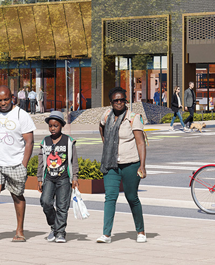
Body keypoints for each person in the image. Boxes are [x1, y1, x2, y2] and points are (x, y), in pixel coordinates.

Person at [89, 88, 149, 244]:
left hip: (130, 163)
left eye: (122, 99)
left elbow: (141, 143)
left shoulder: (133, 118)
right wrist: (107, 144)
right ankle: (106, 234)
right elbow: (101, 127)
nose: (119, 102)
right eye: (116, 100)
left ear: (126, 101)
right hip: (111, 164)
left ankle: (141, 231)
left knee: (132, 197)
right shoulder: (107, 115)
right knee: (110, 197)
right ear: (111, 102)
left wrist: (142, 165)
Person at [0, 87, 35, 243]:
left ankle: (19, 231)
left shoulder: (22, 115)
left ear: (13, 98)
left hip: (15, 163)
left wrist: (24, 164)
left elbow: (29, 142)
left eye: (6, 99)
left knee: (17, 196)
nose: (3, 103)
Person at [35, 112, 76, 243]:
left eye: (56, 126)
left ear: (62, 126)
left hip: (64, 178)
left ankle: (60, 233)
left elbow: (74, 160)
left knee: (62, 206)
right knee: (45, 202)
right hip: (49, 178)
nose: (53, 128)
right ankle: (54, 226)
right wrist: (39, 178)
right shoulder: (45, 141)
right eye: (50, 126)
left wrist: (74, 177)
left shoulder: (68, 141)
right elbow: (41, 161)